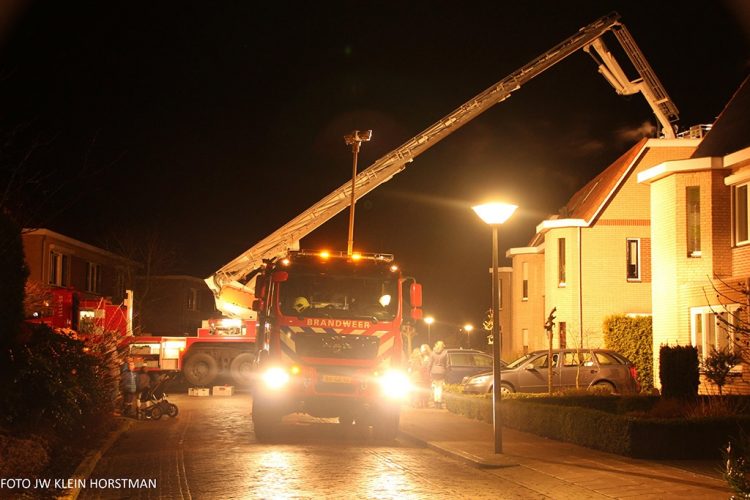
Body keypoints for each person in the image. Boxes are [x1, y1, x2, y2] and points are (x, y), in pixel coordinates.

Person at [429, 341, 448, 409]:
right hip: (441, 372)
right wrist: (446, 370)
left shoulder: (432, 353)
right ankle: (439, 403)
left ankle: (435, 402)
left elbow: (430, 363)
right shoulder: (445, 353)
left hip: (434, 371)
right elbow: (447, 363)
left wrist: (429, 371)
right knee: (440, 387)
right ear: (442, 346)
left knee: (435, 387)